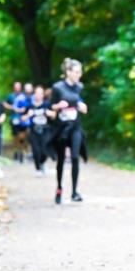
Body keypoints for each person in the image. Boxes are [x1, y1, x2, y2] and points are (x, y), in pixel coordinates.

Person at [50, 59, 89, 204]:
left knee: (74, 157)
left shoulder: (79, 86)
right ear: (68, 72)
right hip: (61, 129)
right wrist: (58, 106)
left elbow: (80, 101)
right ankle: (59, 189)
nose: (79, 74)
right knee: (60, 160)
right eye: (77, 72)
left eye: (80, 72)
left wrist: (83, 106)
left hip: (75, 127)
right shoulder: (57, 87)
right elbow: (51, 107)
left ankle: (74, 192)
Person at [22, 85, 54, 176]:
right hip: (34, 130)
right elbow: (23, 118)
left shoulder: (47, 104)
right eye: (36, 93)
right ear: (34, 94)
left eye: (40, 93)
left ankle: (42, 163)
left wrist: (50, 113)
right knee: (36, 150)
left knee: (45, 149)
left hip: (45, 129)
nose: (38, 95)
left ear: (43, 95)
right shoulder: (30, 106)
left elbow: (54, 115)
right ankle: (38, 169)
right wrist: (28, 115)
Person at [6, 81, 29, 163]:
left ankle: (22, 152)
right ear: (14, 87)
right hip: (14, 118)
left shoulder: (24, 96)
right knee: (15, 136)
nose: (17, 88)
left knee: (23, 136)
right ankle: (16, 152)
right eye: (16, 86)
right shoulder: (10, 96)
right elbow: (5, 104)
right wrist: (12, 108)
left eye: (18, 86)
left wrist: (24, 111)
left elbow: (28, 106)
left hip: (23, 119)